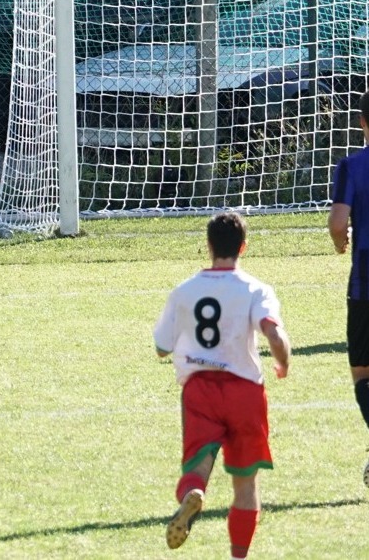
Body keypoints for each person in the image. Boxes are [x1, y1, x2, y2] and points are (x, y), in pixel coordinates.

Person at [153, 211, 290, 558]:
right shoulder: (255, 289)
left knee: (196, 466)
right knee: (246, 485)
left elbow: (161, 347)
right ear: (243, 246)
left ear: (208, 246)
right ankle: (238, 555)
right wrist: (283, 361)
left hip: (199, 389)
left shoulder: (185, 291)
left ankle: (193, 493)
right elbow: (273, 332)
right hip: (244, 390)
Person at [328, 89, 369, 486]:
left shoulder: (352, 166)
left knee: (362, 370)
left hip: (366, 282)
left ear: (362, 122)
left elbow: (339, 223)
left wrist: (341, 244)